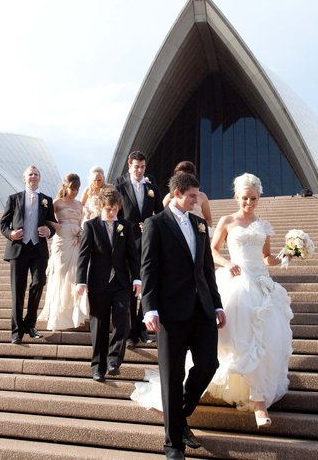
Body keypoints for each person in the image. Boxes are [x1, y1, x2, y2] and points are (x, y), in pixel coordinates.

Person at [139, 172, 226, 459]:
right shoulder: (155, 224)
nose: (197, 200)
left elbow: (206, 269)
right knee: (172, 378)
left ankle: (180, 413)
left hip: (201, 309)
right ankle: (173, 445)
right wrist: (149, 307)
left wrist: (217, 304)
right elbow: (148, 268)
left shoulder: (200, 224)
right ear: (177, 193)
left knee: (208, 364)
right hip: (170, 313)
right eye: (192, 195)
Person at [208, 172, 293, 427]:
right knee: (241, 338)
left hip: (262, 284)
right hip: (237, 282)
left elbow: (267, 257)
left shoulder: (263, 226)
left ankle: (259, 400)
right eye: (245, 198)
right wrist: (227, 262)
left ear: (259, 197)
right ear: (237, 196)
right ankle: (255, 400)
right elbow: (212, 250)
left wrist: (289, 253)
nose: (249, 203)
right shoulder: (227, 220)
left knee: (267, 338)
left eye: (253, 198)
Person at [76, 186, 140, 382]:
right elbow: (84, 255)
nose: (112, 213)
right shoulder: (91, 227)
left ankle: (114, 361)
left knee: (122, 321)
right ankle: (98, 366)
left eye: (115, 209)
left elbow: (132, 255)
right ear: (101, 207)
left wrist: (137, 278)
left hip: (121, 282)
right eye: (108, 209)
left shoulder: (126, 226)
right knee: (99, 326)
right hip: (98, 283)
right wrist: (81, 281)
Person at [0, 165, 56, 344]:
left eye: (36, 174)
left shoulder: (46, 200)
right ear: (24, 178)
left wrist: (48, 231)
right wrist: (11, 234)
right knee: (18, 290)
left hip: (38, 250)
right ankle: (16, 331)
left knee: (39, 283)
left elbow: (53, 224)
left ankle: (29, 325)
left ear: (40, 178)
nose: (33, 177)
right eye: (30, 174)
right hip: (19, 249)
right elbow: (3, 223)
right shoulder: (14, 199)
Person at [115, 150, 163, 346]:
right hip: (126, 244)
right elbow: (114, 216)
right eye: (137, 167)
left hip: (147, 244)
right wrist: (132, 227)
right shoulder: (119, 187)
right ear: (129, 165)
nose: (140, 170)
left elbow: (160, 214)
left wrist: (150, 224)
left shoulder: (153, 188)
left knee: (146, 284)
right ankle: (128, 332)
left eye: (143, 167)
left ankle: (141, 329)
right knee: (128, 288)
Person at [39, 173, 88, 331]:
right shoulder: (57, 202)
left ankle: (76, 316)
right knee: (60, 276)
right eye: (72, 188)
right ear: (65, 186)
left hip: (76, 241)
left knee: (76, 276)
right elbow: (45, 217)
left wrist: (80, 233)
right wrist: (55, 225)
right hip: (61, 242)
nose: (74, 191)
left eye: (77, 189)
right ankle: (58, 316)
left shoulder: (80, 204)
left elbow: (81, 222)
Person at [161, 161, 212, 227]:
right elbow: (160, 214)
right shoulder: (169, 196)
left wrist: (203, 231)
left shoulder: (202, 196)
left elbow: (208, 219)